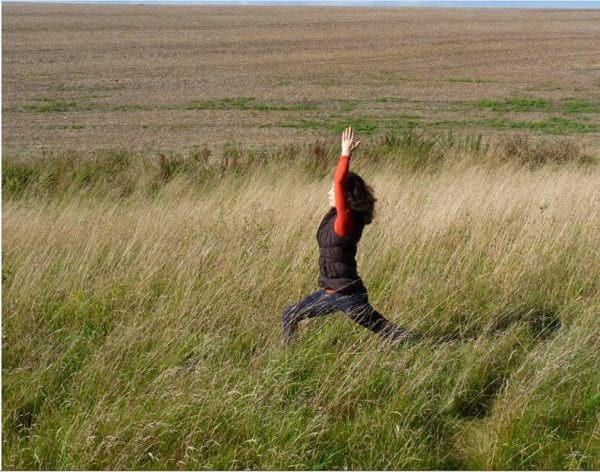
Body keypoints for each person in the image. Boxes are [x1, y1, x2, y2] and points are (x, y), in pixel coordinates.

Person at [282, 127, 421, 345]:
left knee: (392, 333)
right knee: (290, 315)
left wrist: (345, 153)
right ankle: (287, 356)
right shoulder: (337, 217)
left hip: (346, 296)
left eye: (334, 192)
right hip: (332, 293)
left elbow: (339, 182)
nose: (329, 193)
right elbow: (340, 185)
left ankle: (420, 343)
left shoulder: (345, 223)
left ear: (344, 198)